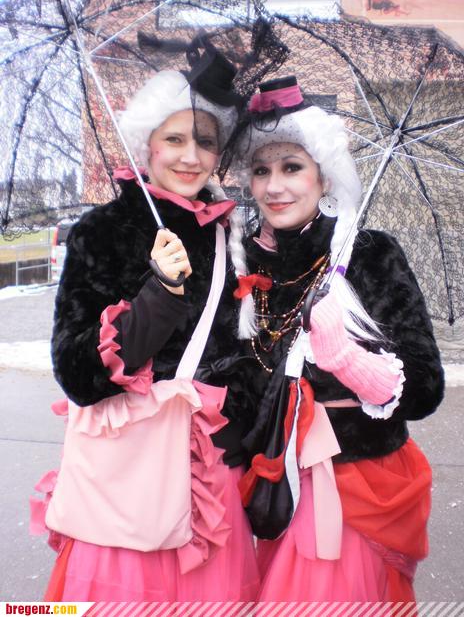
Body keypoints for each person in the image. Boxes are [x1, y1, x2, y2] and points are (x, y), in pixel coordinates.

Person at [30, 42, 260, 602]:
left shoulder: (233, 238)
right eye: (175, 139)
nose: (191, 156)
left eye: (205, 141)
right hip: (128, 484)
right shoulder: (102, 232)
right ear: (147, 144)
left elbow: (244, 356)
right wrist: (161, 292)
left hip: (210, 484)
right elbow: (78, 375)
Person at [228, 76, 444, 601]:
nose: (274, 186)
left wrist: (346, 358)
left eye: (292, 167)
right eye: (261, 171)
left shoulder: (367, 254)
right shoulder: (241, 261)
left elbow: (425, 390)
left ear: (323, 177)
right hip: (272, 490)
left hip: (356, 491)